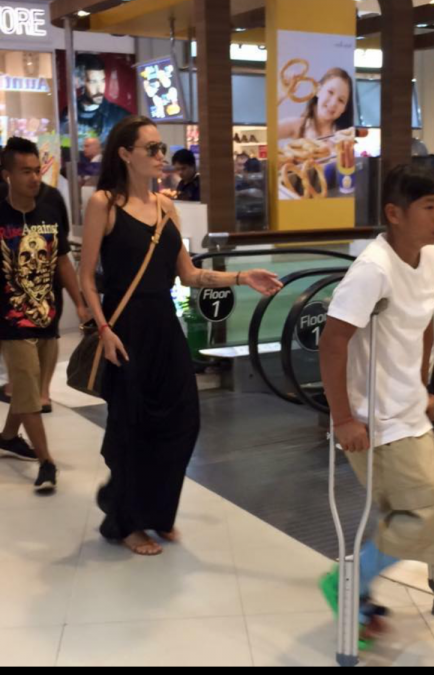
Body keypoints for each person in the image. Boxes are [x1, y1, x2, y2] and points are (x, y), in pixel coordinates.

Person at [80, 115, 282, 555]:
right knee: (132, 426)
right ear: (125, 154)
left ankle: (157, 511)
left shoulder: (166, 207)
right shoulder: (103, 204)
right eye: (151, 149)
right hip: (125, 327)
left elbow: (189, 275)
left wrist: (242, 277)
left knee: (182, 420)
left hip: (163, 325)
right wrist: (104, 328)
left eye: (161, 149)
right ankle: (126, 521)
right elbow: (87, 277)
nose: (161, 157)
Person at [319, 162, 434, 645]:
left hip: (409, 411)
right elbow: (332, 342)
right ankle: (348, 581)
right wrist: (342, 419)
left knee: (418, 509)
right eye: (429, 207)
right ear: (395, 213)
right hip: (374, 421)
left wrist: (422, 386)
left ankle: (357, 589)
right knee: (432, 510)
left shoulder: (431, 259)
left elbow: (423, 327)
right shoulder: (372, 270)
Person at [0, 138, 88, 491]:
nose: (34, 178)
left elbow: (63, 259)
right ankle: (47, 462)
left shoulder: (50, 208)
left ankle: (8, 437)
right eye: (26, 172)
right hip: (10, 319)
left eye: (37, 170)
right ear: (7, 175)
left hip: (47, 313)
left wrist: (80, 302)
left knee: (32, 387)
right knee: (28, 389)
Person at [60, 54, 130, 144]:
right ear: (79, 82)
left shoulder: (120, 116)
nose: (100, 89)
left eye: (103, 80)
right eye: (93, 82)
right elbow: (63, 145)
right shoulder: (67, 114)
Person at [278, 67, 354, 142]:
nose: (333, 103)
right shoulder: (297, 125)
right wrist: (281, 94)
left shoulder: (345, 137)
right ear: (318, 90)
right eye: (330, 92)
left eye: (341, 100)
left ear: (345, 108)